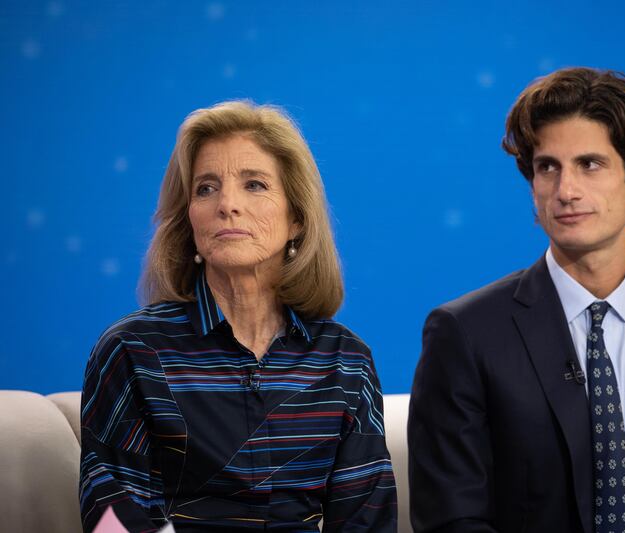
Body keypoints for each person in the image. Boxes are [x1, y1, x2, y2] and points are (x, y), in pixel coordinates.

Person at [408, 68, 625, 533]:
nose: (565, 191)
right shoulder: (465, 334)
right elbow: (452, 520)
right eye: (547, 167)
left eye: (589, 164)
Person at [79, 101, 397, 532]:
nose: (227, 204)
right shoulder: (133, 351)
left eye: (254, 185)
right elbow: (112, 518)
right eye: (206, 188)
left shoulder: (344, 360)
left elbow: (366, 521)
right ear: (189, 218)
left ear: (297, 220)